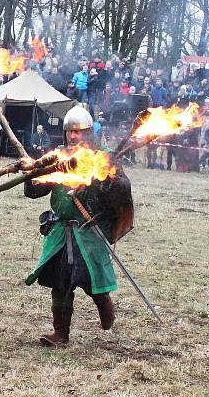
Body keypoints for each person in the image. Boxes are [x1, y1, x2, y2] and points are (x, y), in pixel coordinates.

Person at [23, 106, 133, 346]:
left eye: (79, 132)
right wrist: (32, 172)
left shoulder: (104, 157)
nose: (73, 137)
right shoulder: (58, 156)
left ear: (89, 133)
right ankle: (61, 333)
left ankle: (103, 301)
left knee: (90, 279)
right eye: (70, 132)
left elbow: (122, 191)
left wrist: (106, 178)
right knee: (60, 281)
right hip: (61, 230)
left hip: (90, 231)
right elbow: (36, 189)